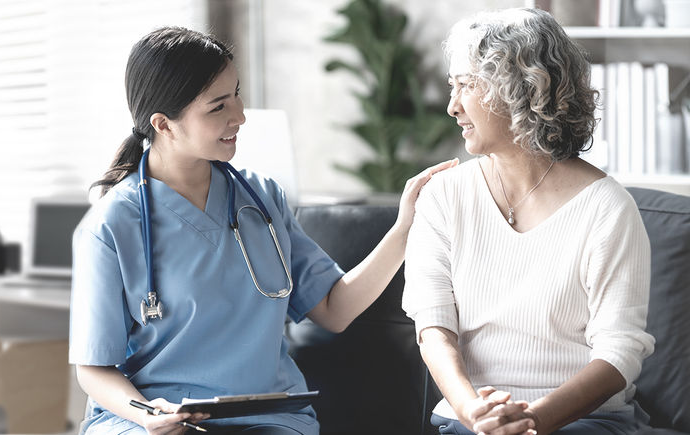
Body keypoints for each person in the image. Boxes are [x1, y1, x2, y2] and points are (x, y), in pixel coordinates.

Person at [69, 26, 456, 435]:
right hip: (149, 419)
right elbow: (94, 370)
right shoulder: (112, 224)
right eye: (218, 106)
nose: (239, 115)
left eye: (236, 93)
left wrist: (405, 226)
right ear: (164, 124)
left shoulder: (261, 198)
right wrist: (149, 414)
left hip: (266, 418)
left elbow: (335, 310)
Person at [403, 8, 655, 435]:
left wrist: (532, 419)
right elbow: (433, 329)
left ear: (521, 88)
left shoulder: (608, 208)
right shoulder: (444, 198)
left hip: (584, 420)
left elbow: (620, 353)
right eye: (453, 86)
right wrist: (473, 413)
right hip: (470, 420)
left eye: (466, 85)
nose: (452, 106)